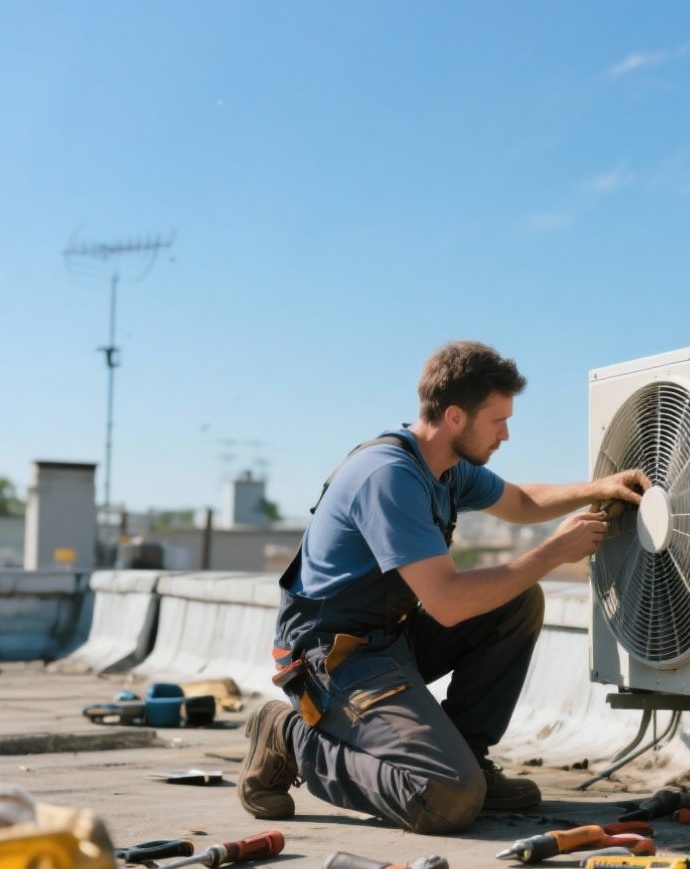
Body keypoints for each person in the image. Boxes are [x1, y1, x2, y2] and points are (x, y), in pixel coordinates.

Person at [238, 340, 648, 834]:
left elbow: (519, 502)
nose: (506, 434)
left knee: (515, 599)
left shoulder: (446, 469)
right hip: (332, 659)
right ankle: (288, 738)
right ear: (455, 417)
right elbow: (449, 603)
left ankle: (469, 753)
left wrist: (597, 488)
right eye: (497, 421)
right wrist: (552, 553)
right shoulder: (389, 477)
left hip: (388, 637)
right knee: (445, 796)